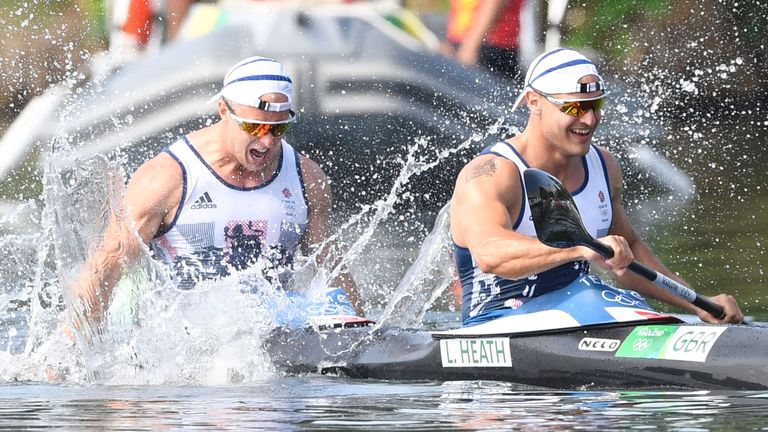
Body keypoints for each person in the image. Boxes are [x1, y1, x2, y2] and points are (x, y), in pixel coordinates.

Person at [449, 47, 743, 326]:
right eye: (575, 107)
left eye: (595, 105)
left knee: (608, 298)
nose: (589, 120)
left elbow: (631, 252)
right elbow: (489, 254)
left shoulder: (604, 166)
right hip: (497, 322)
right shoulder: (492, 173)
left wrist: (699, 304)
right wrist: (578, 249)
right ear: (534, 102)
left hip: (578, 310)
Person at [72, 56, 361, 329]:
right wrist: (70, 348)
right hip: (181, 338)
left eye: (279, 127)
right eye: (254, 126)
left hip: (273, 327)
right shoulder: (165, 179)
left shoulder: (307, 178)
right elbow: (105, 267)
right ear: (223, 110)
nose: (268, 140)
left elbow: (331, 265)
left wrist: (363, 332)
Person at [442, 0, 523, 82]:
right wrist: (450, 43)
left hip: (489, 47)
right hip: (468, 44)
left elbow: (494, 2)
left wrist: (470, 48)